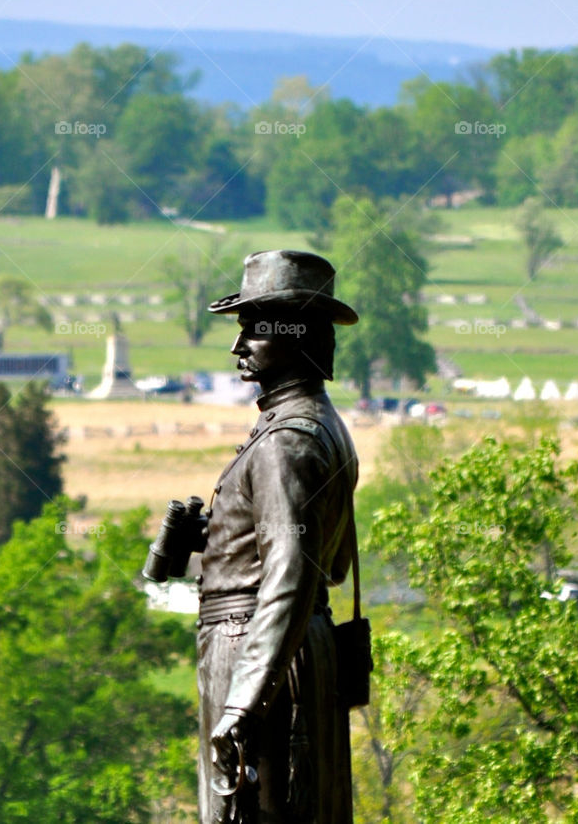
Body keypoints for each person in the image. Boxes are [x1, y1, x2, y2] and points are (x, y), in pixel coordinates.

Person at [197, 250, 360, 824]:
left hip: (257, 655)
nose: (238, 348)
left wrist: (241, 700)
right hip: (295, 649)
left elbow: (290, 572)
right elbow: (331, 561)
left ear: (295, 337)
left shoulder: (283, 442)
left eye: (253, 331)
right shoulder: (321, 425)